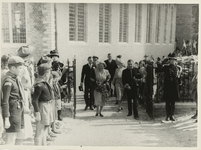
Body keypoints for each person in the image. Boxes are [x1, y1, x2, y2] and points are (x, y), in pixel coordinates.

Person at [1, 56, 25, 145]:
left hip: (19, 112)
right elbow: (5, 101)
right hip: (12, 113)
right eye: (20, 68)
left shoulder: (16, 79)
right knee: (11, 139)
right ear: (13, 68)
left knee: (21, 136)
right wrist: (6, 118)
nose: (22, 70)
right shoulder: (8, 81)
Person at [155, 53, 181, 121]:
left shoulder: (178, 68)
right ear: (169, 60)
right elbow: (158, 70)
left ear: (175, 61)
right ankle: (167, 115)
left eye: (173, 60)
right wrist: (158, 63)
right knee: (167, 102)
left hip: (174, 87)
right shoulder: (166, 67)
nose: (172, 61)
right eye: (171, 60)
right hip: (168, 86)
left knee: (173, 102)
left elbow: (178, 78)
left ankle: (172, 115)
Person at [32, 63, 53, 145]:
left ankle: (44, 146)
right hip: (42, 107)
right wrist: (37, 113)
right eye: (49, 72)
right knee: (39, 131)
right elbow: (34, 100)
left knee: (44, 130)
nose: (50, 74)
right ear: (46, 74)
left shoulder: (44, 83)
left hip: (46, 106)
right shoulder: (39, 85)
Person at [17, 46, 34, 140]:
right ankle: (25, 134)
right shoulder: (23, 68)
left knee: (25, 112)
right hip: (23, 91)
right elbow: (27, 81)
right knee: (25, 112)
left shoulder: (22, 67)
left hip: (24, 90)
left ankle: (25, 133)